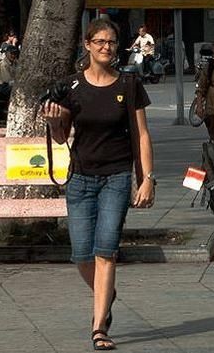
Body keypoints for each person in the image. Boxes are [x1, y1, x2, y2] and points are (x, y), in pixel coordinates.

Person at [43, 18, 155, 350]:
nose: (106, 48)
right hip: (80, 178)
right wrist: (53, 122)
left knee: (106, 250)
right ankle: (107, 295)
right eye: (100, 42)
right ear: (87, 45)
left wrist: (147, 178)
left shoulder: (129, 85)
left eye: (111, 42)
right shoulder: (71, 87)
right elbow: (62, 135)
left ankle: (99, 326)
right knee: (81, 254)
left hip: (117, 177)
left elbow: (143, 135)